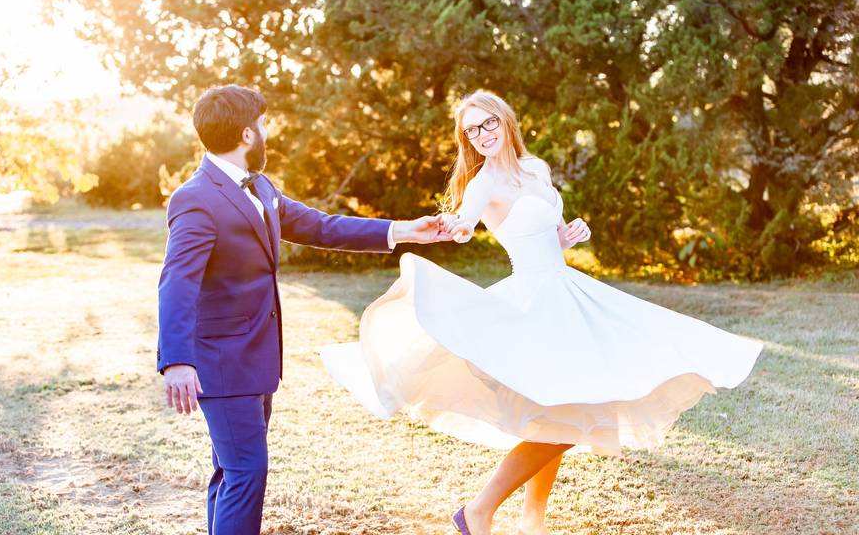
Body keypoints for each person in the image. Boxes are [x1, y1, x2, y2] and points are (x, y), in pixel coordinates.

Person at [319, 90, 764, 535]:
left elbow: (550, 236)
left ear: (506, 120)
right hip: (533, 304)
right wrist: (456, 227)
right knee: (571, 418)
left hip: (565, 293)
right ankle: (477, 511)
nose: (482, 135)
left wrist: (570, 235)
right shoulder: (483, 184)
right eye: (471, 131)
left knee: (558, 415)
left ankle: (532, 521)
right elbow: (466, 223)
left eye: (487, 123)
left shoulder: (536, 169)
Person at [156, 84, 450, 535]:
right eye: (264, 123)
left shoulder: (261, 187)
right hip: (221, 362)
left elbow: (320, 226)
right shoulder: (196, 198)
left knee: (231, 471)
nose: (268, 130)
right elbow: (178, 280)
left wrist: (402, 230)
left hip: (255, 359)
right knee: (245, 473)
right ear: (246, 135)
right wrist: (176, 360)